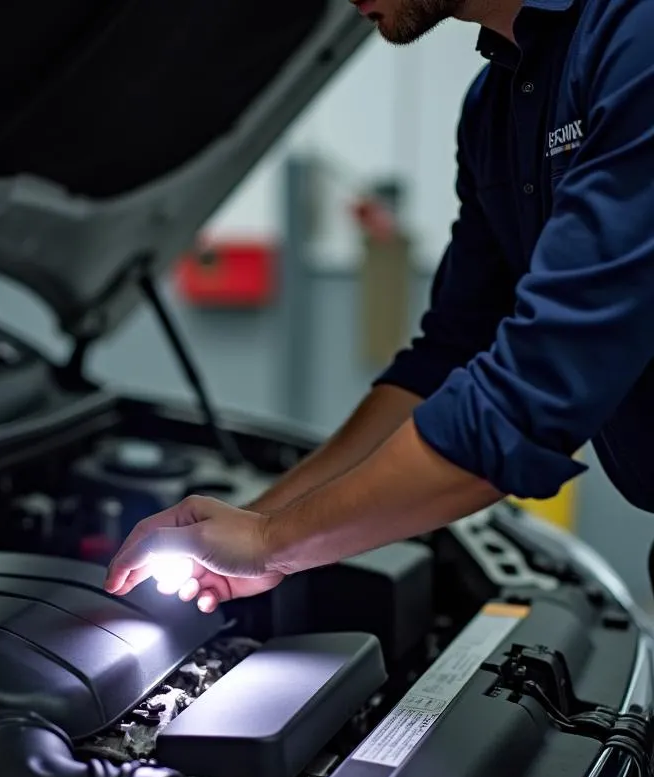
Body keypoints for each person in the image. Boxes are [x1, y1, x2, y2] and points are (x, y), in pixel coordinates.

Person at [105, 0, 654, 613]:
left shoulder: (637, 35)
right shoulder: (494, 106)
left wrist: (272, 542)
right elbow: (449, 357)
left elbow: (541, 385)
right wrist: (256, 521)